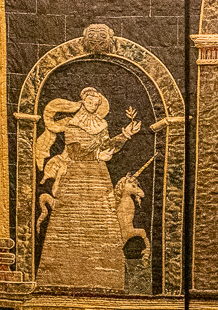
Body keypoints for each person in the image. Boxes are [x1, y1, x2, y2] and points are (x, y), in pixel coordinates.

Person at [34, 86, 141, 289]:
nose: (93, 105)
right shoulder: (73, 124)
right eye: (90, 102)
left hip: (99, 178)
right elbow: (75, 151)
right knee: (71, 221)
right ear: (83, 102)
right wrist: (97, 155)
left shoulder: (101, 124)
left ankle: (107, 280)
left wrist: (125, 134)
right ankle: (59, 278)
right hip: (77, 177)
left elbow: (107, 146)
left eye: (96, 103)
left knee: (103, 222)